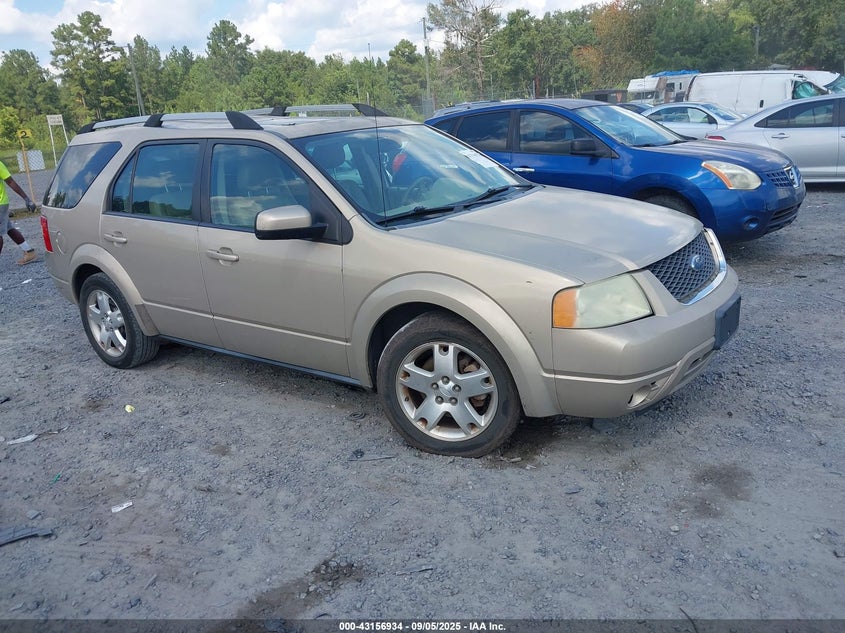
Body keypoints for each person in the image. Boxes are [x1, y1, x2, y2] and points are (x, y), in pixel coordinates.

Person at [0, 159, 38, 265]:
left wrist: (26, 199)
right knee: (9, 229)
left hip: (0, 203)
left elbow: (10, 181)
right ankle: (29, 252)